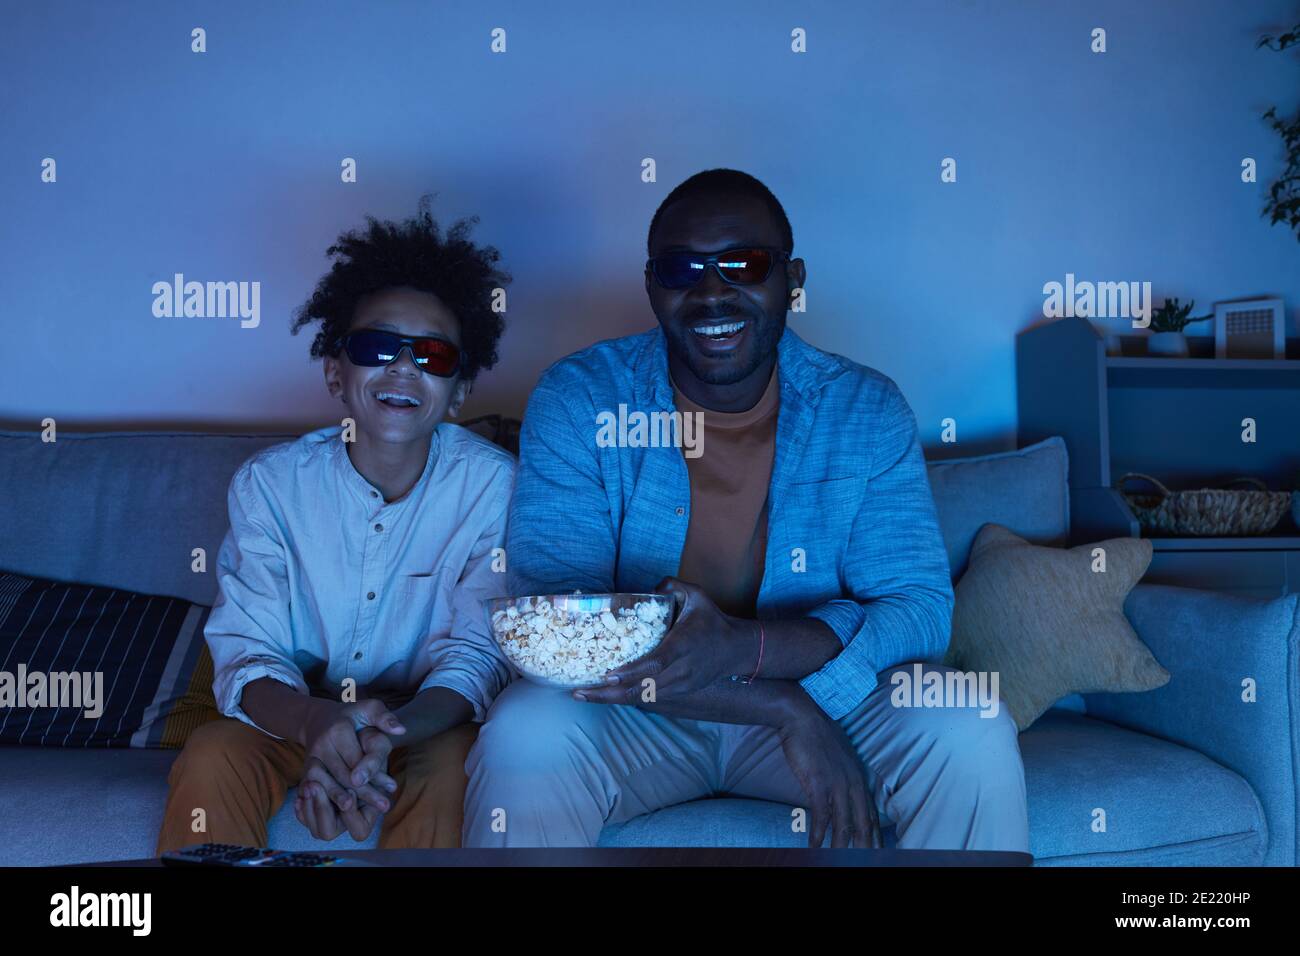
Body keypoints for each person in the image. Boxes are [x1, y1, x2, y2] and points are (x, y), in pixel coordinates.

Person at [463, 169, 1029, 851]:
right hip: (642, 716)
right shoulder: (581, 398)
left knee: (968, 724)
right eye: (682, 270)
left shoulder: (865, 409)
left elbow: (917, 608)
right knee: (524, 735)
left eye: (743, 264)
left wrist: (755, 652)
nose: (711, 293)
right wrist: (777, 706)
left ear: (791, 278)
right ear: (652, 286)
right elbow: (558, 626)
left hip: (827, 696)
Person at [157, 197, 515, 852]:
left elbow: (477, 655)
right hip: (296, 717)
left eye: (433, 355)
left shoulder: (493, 488)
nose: (404, 368)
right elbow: (248, 649)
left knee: (454, 770)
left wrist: (384, 735)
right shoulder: (270, 487)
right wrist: (318, 722)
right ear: (335, 373)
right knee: (213, 754)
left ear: (459, 392)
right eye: (377, 347)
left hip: (421, 726)